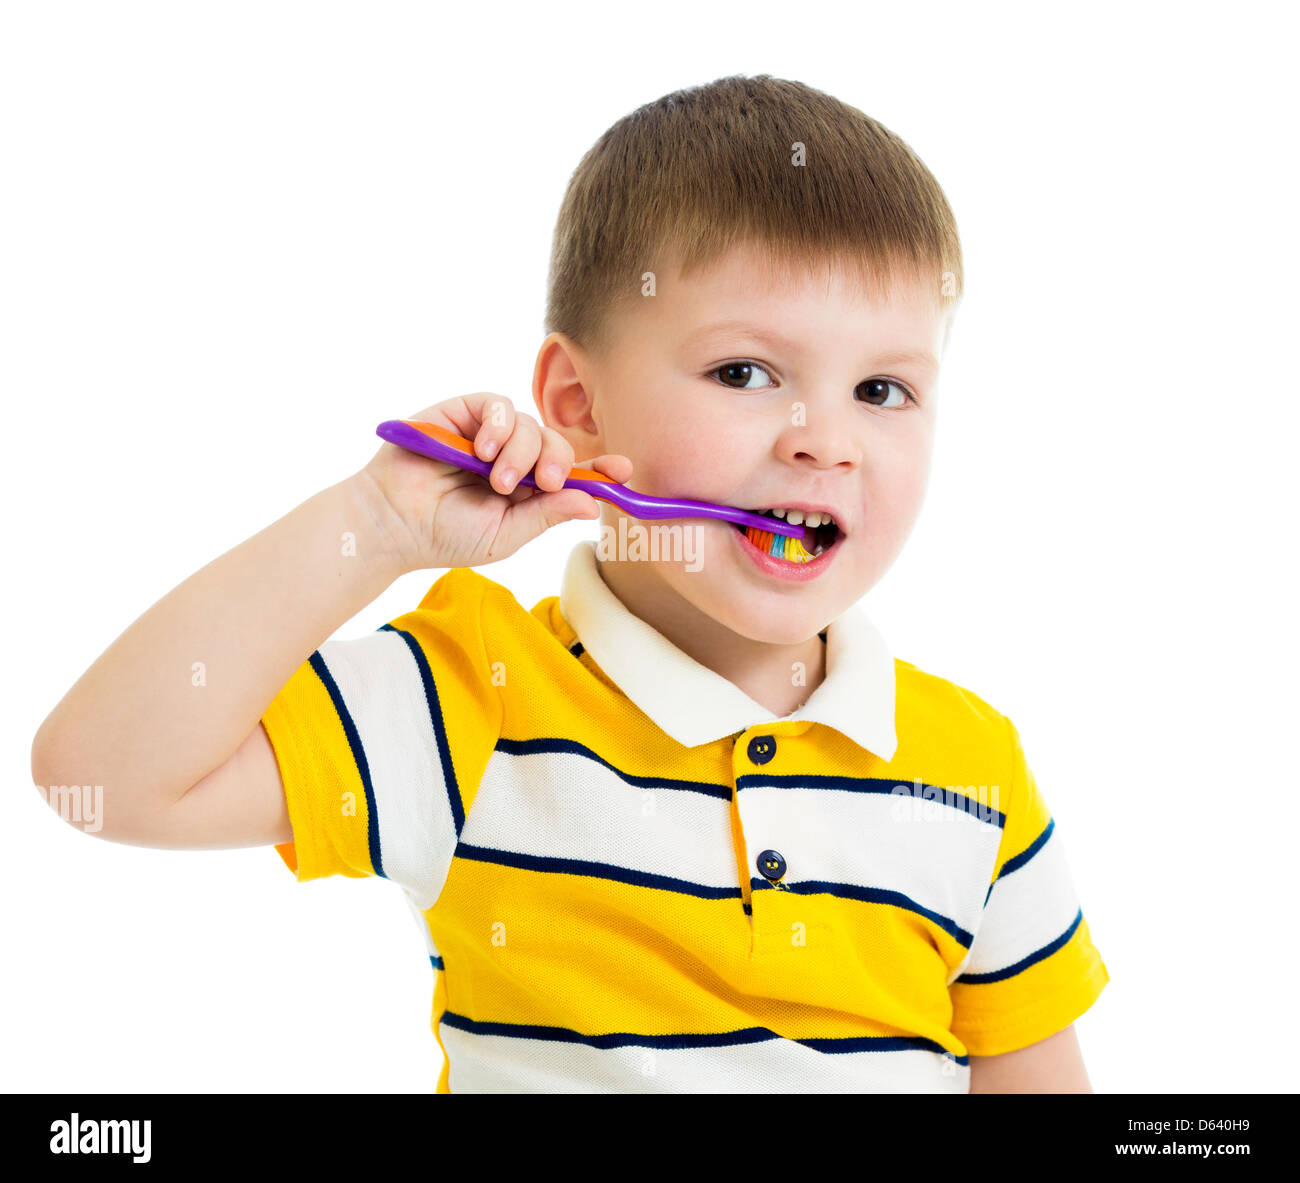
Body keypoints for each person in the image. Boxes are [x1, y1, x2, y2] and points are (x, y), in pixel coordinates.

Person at [32, 73, 1108, 1093]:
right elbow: (107, 775)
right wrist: (374, 525)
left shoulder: (974, 770)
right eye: (745, 373)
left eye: (883, 387)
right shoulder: (476, 694)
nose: (824, 440)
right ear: (577, 404)